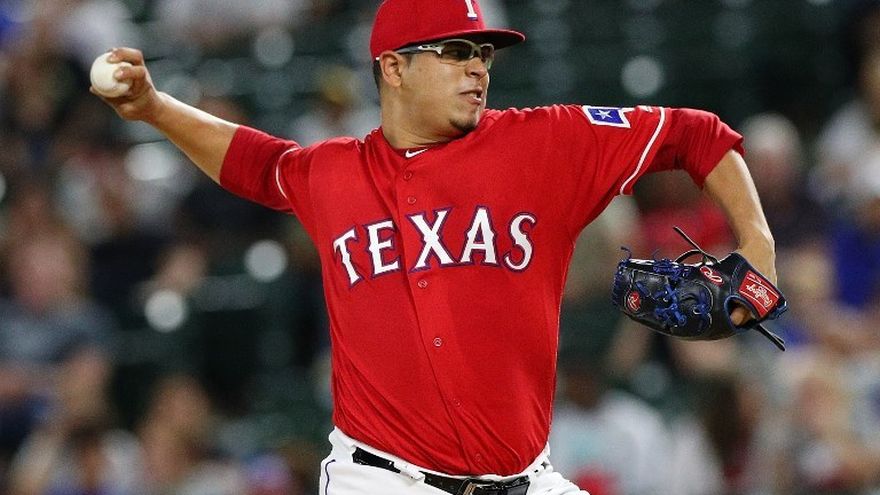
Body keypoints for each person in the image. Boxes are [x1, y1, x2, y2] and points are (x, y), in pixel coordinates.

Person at [92, 0, 778, 493]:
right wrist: (154, 106)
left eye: (483, 53)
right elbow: (252, 161)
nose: (477, 68)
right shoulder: (331, 173)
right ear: (393, 68)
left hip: (524, 477)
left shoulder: (543, 143)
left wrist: (758, 246)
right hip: (379, 478)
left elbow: (697, 135)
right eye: (455, 52)